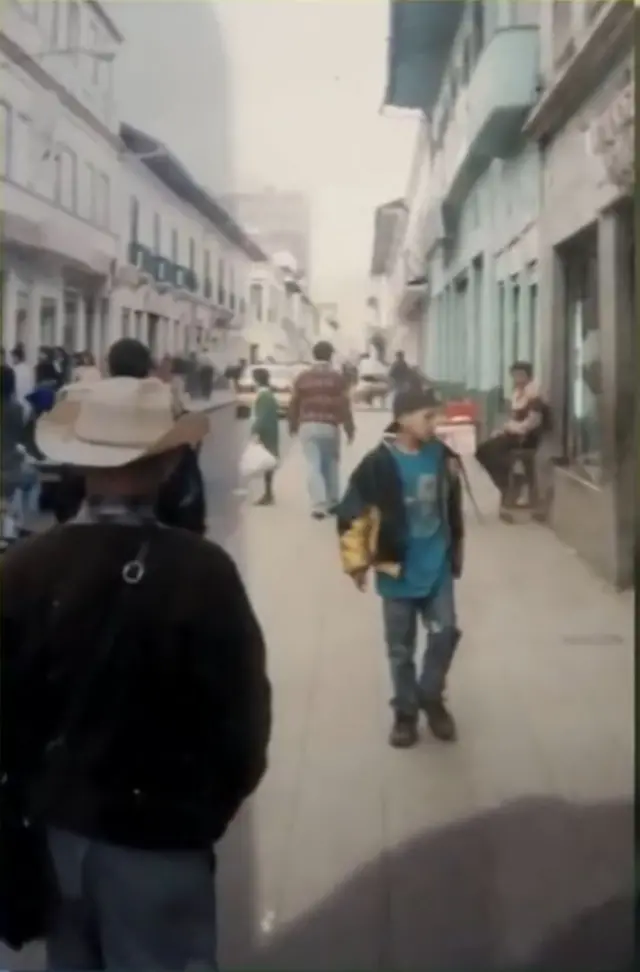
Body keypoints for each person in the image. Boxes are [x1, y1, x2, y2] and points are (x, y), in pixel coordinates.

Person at [1, 375, 272, 970]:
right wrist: (204, 813)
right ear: (170, 464)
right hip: (163, 839)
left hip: (57, 834)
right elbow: (244, 722)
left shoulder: (22, 570)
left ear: (79, 463)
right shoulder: (205, 573)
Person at [336, 388, 464, 749]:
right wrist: (357, 562)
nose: (436, 424)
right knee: (400, 649)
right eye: (429, 417)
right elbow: (351, 514)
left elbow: (450, 505)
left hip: (437, 564)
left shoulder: (441, 455)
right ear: (403, 418)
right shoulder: (378, 463)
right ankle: (405, 713)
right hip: (396, 570)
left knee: (446, 632)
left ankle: (431, 695)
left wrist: (455, 473)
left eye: (438, 416)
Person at [52, 338, 207, 534]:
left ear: (109, 367)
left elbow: (66, 499)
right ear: (147, 368)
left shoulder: (90, 412)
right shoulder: (169, 410)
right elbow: (190, 504)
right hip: (160, 541)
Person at [288, 340, 355, 520]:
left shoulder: (303, 378)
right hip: (330, 426)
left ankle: (318, 505)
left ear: (314, 355)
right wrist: (350, 428)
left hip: (308, 426)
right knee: (331, 464)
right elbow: (344, 404)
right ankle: (333, 502)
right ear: (330, 355)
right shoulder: (337, 379)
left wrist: (292, 424)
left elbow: (294, 403)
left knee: (313, 464)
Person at [475, 360, 550, 515]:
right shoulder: (517, 393)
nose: (517, 378)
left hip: (526, 438)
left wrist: (509, 428)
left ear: (528, 376)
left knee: (490, 451)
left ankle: (513, 482)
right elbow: (514, 419)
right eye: (514, 375)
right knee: (482, 451)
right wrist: (503, 429)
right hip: (514, 435)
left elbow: (531, 424)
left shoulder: (534, 396)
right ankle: (507, 484)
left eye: (520, 375)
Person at [251, 367, 279, 506]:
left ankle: (268, 494)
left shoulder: (264, 396)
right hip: (270, 432)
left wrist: (255, 432)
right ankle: (268, 493)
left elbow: (261, 417)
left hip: (266, 434)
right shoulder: (267, 394)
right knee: (267, 463)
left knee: (267, 464)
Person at [10, 343, 34, 417]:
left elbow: (14, 388)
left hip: (17, 403)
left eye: (12, 357)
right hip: (28, 403)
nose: (12, 360)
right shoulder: (28, 369)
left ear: (16, 357)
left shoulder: (14, 370)